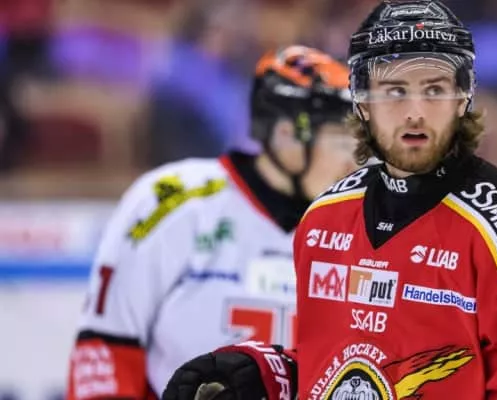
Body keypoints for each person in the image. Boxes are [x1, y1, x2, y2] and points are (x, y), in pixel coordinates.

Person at [162, 1, 497, 399]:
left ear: (463, 97)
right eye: (394, 91)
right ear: (362, 101)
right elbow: (336, 369)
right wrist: (266, 373)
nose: (414, 112)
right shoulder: (322, 220)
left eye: (435, 90)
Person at [65, 45, 357, 400]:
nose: (355, 161)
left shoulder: (363, 223)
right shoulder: (171, 202)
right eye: (342, 140)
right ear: (286, 134)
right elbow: (106, 350)